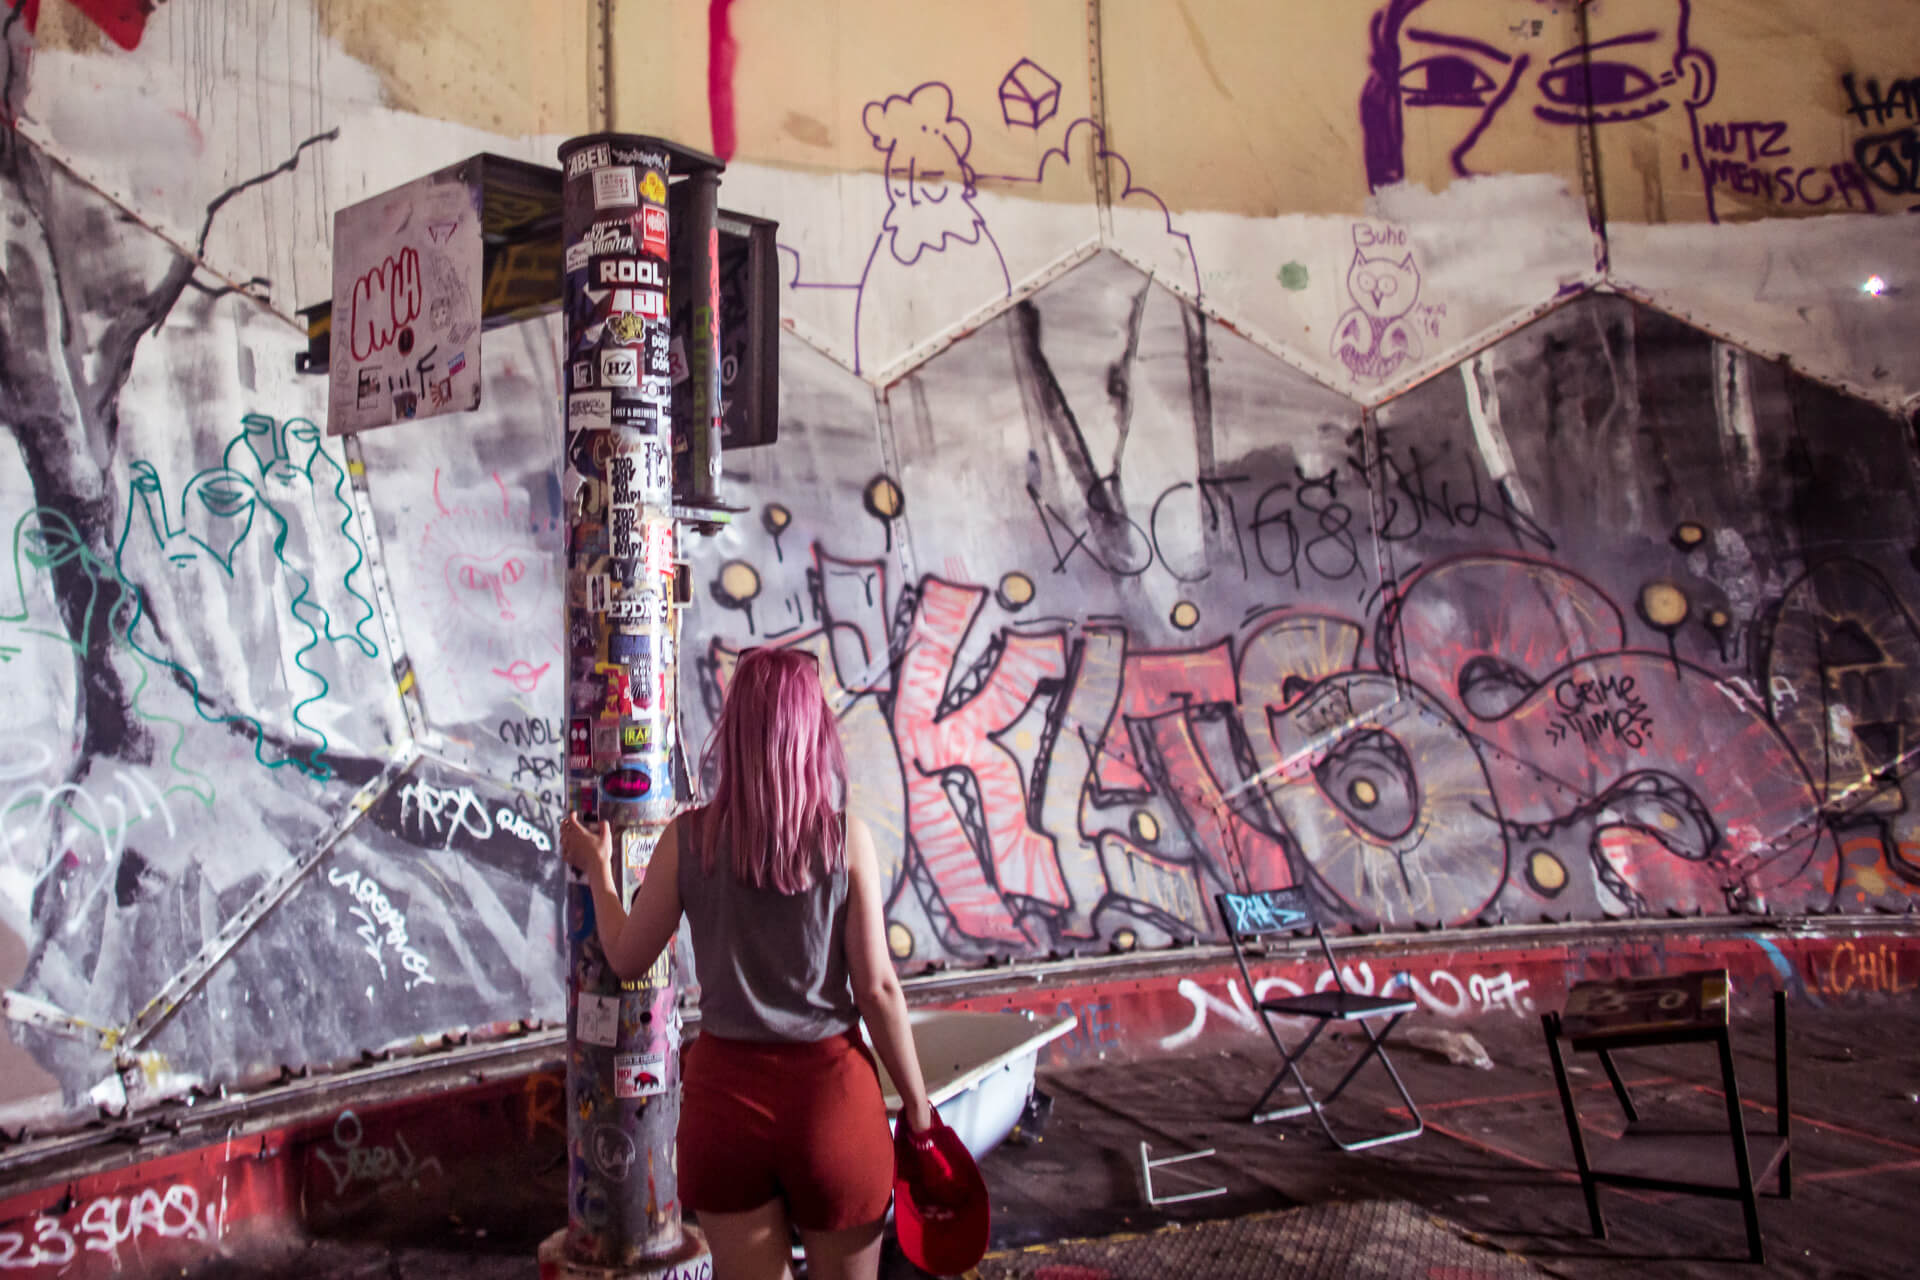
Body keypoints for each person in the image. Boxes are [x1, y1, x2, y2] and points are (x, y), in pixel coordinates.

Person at [560, 646, 936, 1280]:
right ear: (812, 733)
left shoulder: (688, 838)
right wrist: (921, 1117)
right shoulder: (844, 841)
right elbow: (877, 991)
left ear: (733, 733)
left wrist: (600, 872)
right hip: (832, 1106)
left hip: (725, 1107)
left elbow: (626, 959)